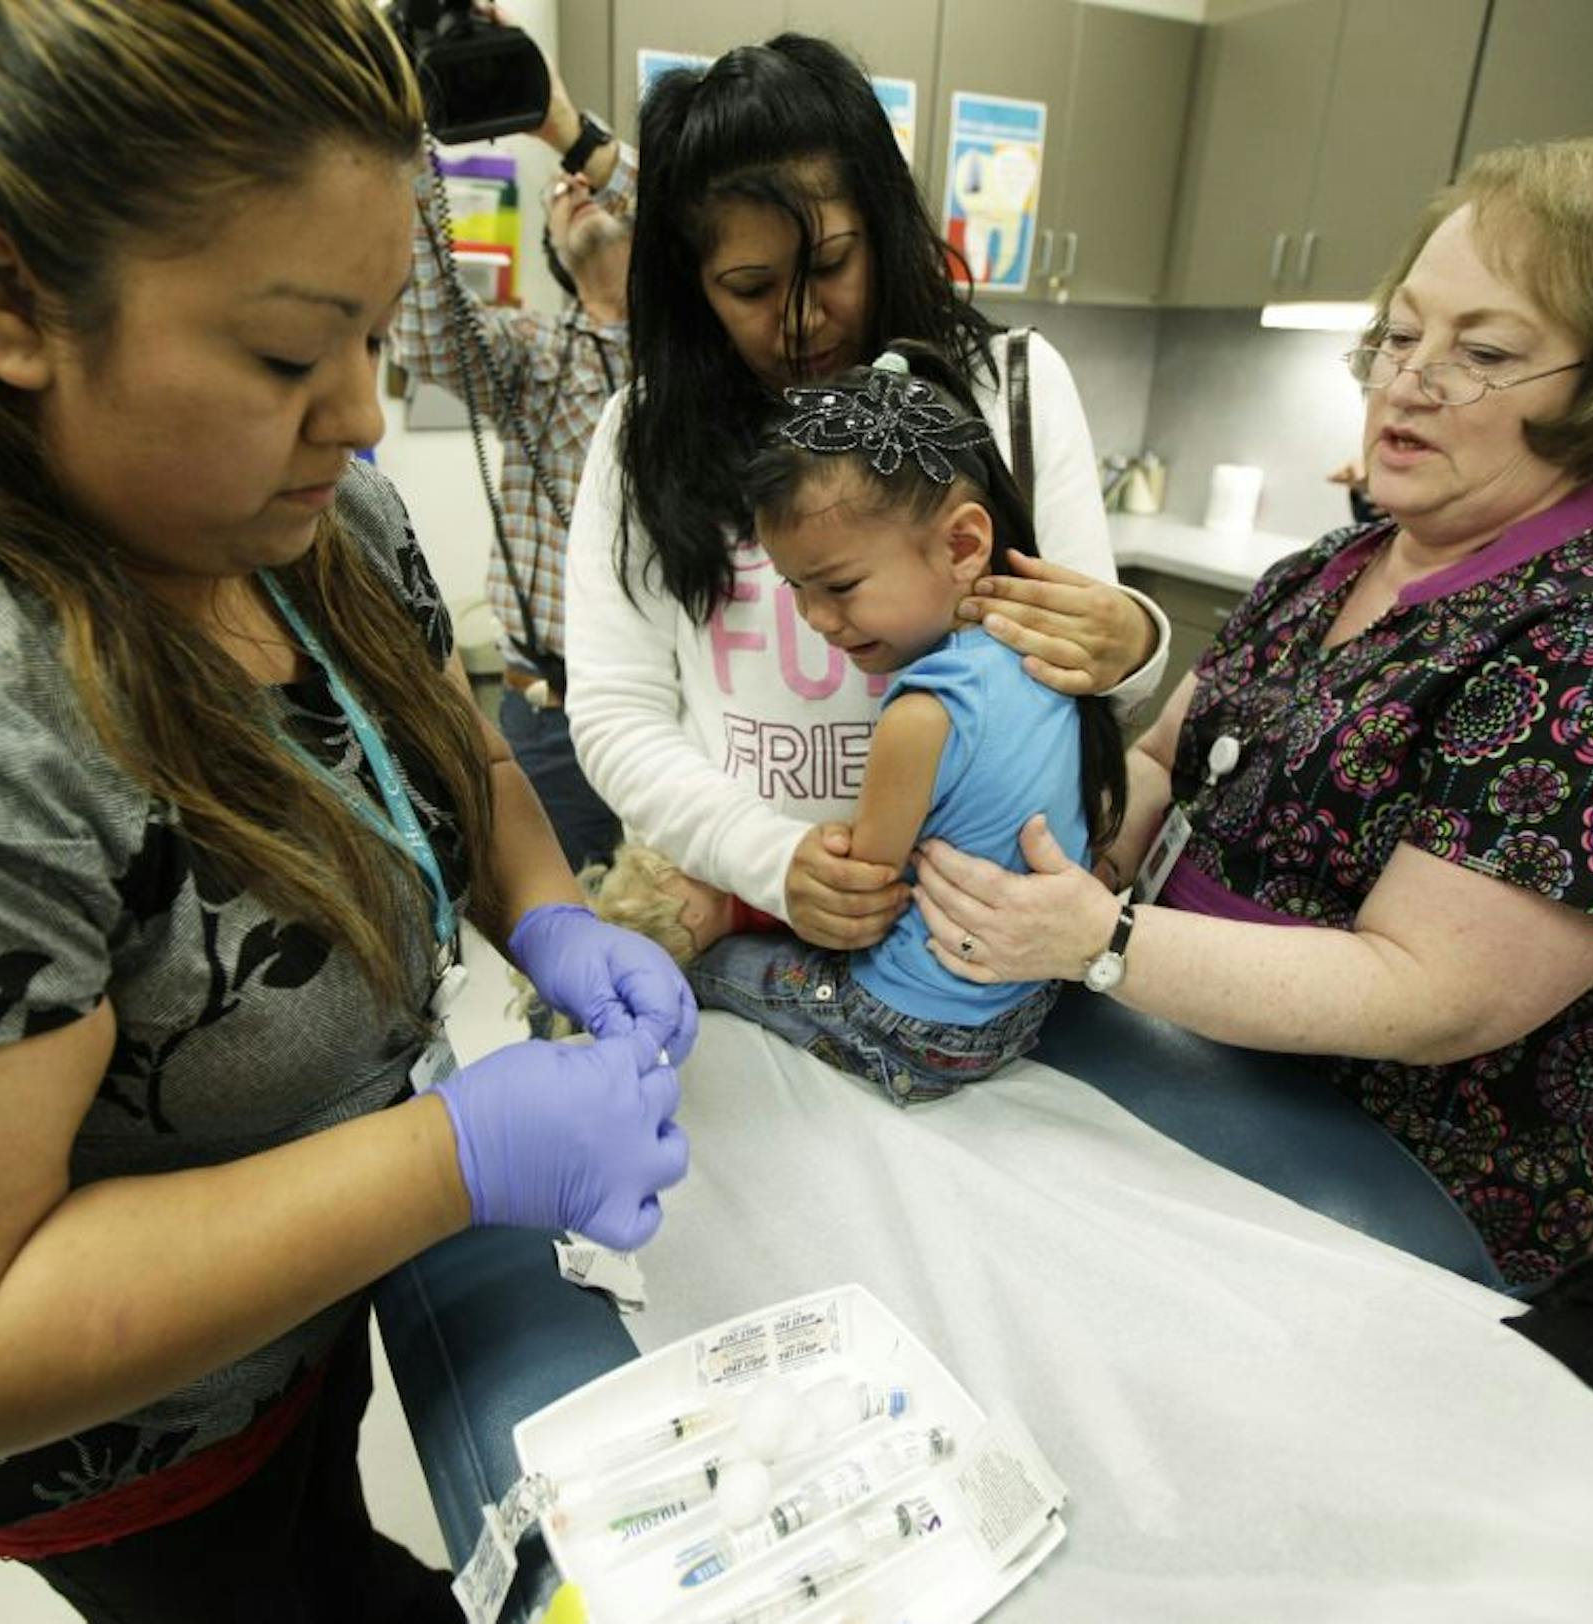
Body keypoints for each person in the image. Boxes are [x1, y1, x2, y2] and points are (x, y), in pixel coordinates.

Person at [0, 4, 694, 1618]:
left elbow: (446, 739)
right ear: (8, 292)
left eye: (376, 336)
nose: (365, 413)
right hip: (129, 1448)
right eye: (295, 353)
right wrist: (457, 1153)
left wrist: (552, 909)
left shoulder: (306, 503)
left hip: (295, 1335)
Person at [909, 130, 1593, 1287]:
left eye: (1482, 350)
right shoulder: (1333, 566)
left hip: (1385, 1203)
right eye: (1403, 331)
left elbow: (1431, 993)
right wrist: (1048, 852)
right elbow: (1167, 759)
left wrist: (1103, 941)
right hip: (1168, 1088)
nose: (1409, 378)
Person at [565, 33, 1167, 963]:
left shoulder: (1010, 389)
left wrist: (1129, 644)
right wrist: (769, 862)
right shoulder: (644, 434)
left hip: (972, 928)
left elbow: (1081, 694)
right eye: (751, 287)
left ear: (883, 232)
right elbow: (616, 712)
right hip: (736, 900)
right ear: (693, 287)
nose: (801, 317)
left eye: (833, 264)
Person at [598, 344, 1127, 1103]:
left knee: (702, 965)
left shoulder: (918, 715)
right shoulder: (1039, 662)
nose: (816, 619)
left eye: (840, 585)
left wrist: (739, 900)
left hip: (914, 1031)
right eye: (796, 589)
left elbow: (859, 908)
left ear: (963, 544)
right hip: (1023, 1005)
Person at [391, 8, 630, 871]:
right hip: (552, 709)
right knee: (560, 946)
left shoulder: (701, 360)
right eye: (563, 194)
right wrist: (413, 141)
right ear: (557, 254)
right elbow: (425, 331)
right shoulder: (532, 355)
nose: (577, 191)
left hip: (682, 708)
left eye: (592, 186)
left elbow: (692, 227)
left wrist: (569, 136)